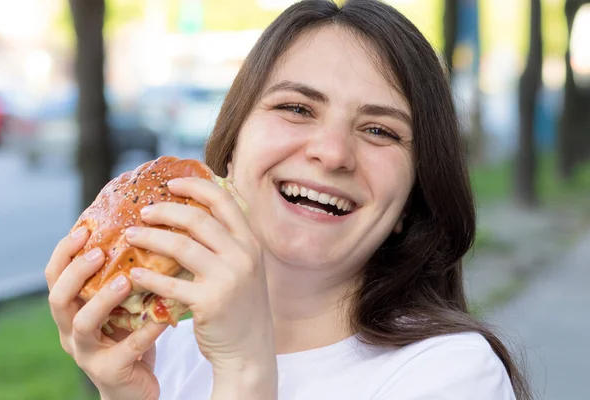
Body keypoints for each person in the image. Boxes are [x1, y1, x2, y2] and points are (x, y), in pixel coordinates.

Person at [44, 0, 532, 399]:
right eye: (297, 108)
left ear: (411, 199)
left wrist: (244, 373)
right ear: (231, 150)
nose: (332, 152)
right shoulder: (167, 348)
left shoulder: (453, 374)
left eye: (380, 130)